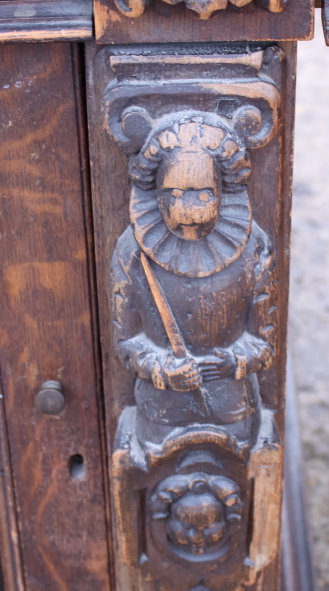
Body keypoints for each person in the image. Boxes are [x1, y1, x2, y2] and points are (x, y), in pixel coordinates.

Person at [112, 112, 278, 443]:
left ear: (224, 190)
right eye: (173, 195)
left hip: (231, 407)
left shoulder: (253, 246)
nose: (187, 212)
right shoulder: (132, 249)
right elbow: (125, 341)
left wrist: (232, 361)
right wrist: (160, 368)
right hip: (160, 410)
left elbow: (265, 340)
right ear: (155, 192)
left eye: (203, 195)